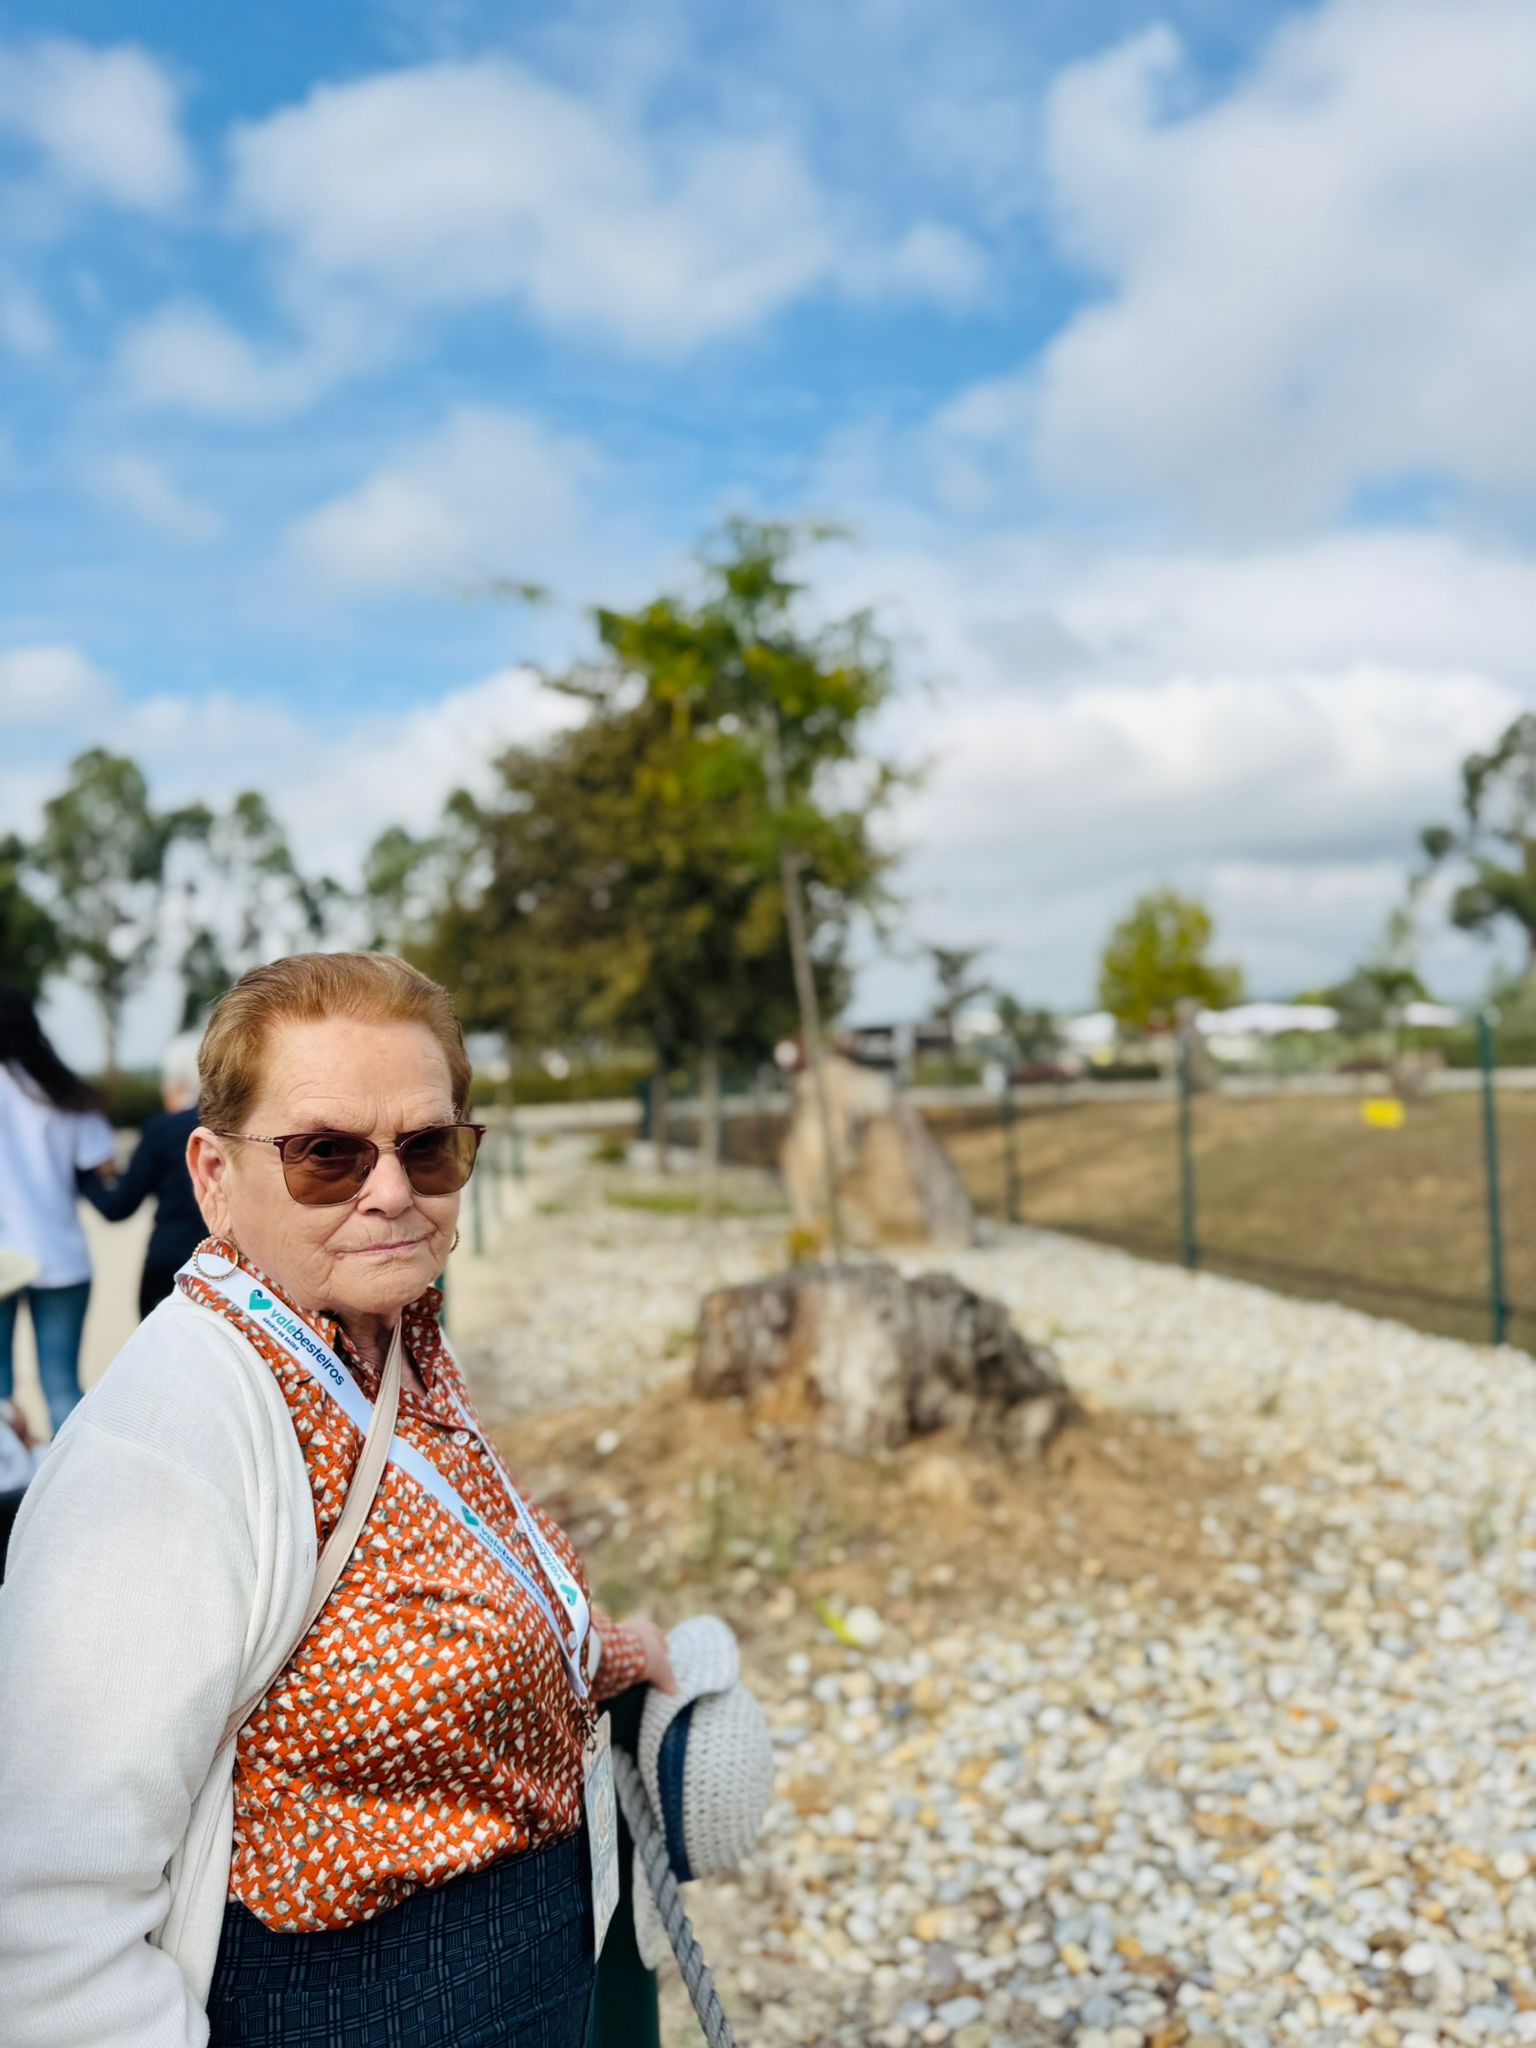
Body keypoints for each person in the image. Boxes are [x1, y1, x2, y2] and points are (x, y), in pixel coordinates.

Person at [0, 952, 677, 2048]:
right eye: (327, 1154)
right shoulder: (169, 1438)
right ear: (214, 1175)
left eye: (430, 1145)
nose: (394, 1189)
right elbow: (45, 1911)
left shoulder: (392, 1344)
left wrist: (608, 1654)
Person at [0, 983, 116, 1435]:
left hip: (2, 1263)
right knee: (62, 1385)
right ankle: (69, 1496)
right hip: (62, 1257)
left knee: (0, 1394)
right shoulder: (61, 1091)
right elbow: (100, 1164)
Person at [81, 1029, 207, 1318]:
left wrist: (84, 1172)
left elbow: (118, 1207)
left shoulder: (162, 1129)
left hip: (170, 1266)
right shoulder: (240, 1129)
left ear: (176, 1081)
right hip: (232, 1267)